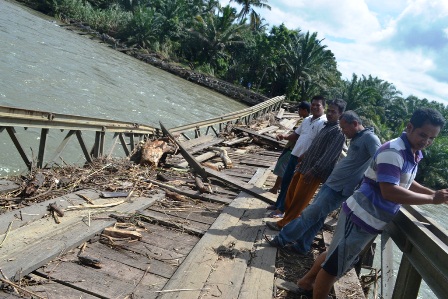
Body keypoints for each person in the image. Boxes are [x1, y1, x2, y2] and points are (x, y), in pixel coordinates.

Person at [295, 108, 448, 299]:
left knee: (336, 255)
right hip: (360, 217)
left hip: (367, 218)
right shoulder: (394, 151)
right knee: (335, 267)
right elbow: (390, 190)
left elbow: (405, 180)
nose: (426, 141)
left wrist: (432, 193)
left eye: (431, 138)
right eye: (423, 135)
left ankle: (306, 282)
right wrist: (433, 199)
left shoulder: (412, 152)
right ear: (409, 127)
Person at [265, 111, 381, 254]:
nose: (343, 132)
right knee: (318, 218)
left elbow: (381, 162)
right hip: (332, 182)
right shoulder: (358, 137)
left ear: (355, 124)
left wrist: (371, 184)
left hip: (340, 188)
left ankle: (282, 239)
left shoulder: (371, 139)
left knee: (309, 214)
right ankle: (302, 246)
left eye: (344, 128)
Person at [266, 99, 347, 230]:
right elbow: (315, 146)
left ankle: (284, 225)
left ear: (340, 114)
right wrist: (303, 158)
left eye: (334, 112)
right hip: (305, 166)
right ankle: (285, 219)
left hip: (313, 173)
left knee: (299, 200)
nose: (330, 114)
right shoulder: (326, 126)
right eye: (329, 111)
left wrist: (313, 171)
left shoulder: (338, 132)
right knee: (291, 194)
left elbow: (328, 157)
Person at [267, 96, 327, 217]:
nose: (314, 107)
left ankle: (282, 210)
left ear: (323, 107)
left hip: (305, 160)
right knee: (285, 181)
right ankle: (278, 204)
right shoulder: (307, 119)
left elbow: (318, 145)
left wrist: (306, 156)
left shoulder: (323, 123)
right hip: (295, 155)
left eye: (318, 105)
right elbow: (296, 134)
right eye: (313, 104)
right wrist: (285, 136)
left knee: (292, 186)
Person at [270, 101, 311, 194]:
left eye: (299, 110)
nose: (298, 112)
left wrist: (284, 136)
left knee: (282, 166)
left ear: (305, 110)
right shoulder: (306, 120)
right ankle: (279, 187)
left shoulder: (306, 121)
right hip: (293, 148)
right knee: (285, 167)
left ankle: (275, 188)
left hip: (293, 149)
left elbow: (297, 136)